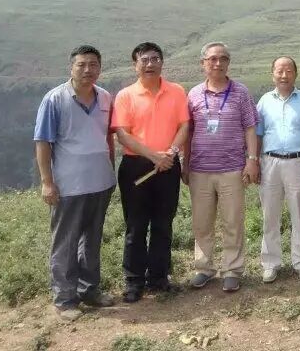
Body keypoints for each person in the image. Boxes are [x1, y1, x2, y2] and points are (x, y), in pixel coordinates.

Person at [33, 45, 117, 320]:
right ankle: (65, 299)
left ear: (100, 68)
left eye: (93, 64)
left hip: (100, 182)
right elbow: (43, 142)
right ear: (71, 67)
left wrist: (111, 171)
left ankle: (89, 290)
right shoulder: (54, 99)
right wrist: (47, 182)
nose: (87, 70)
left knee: (92, 241)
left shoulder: (105, 97)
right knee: (65, 243)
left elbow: (107, 138)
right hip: (69, 186)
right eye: (81, 64)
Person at [112, 42, 190, 303]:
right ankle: (133, 281)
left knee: (163, 224)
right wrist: (153, 155)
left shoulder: (176, 91)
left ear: (162, 63)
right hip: (136, 166)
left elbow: (184, 125)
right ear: (135, 65)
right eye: (144, 60)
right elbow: (122, 134)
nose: (150, 64)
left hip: (168, 164)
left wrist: (171, 152)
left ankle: (158, 277)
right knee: (135, 225)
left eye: (155, 59)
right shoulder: (125, 95)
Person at [184, 42, 259, 292]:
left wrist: (252, 159)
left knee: (232, 221)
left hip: (232, 168)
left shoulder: (241, 92)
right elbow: (188, 132)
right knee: (201, 222)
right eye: (213, 59)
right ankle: (203, 268)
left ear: (228, 63)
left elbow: (250, 128)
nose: (218, 63)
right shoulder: (194, 94)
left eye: (223, 58)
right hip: (200, 169)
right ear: (203, 63)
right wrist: (185, 163)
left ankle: (232, 269)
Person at [256, 56, 300, 284]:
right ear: (272, 74)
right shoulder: (264, 101)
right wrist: (254, 161)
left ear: (296, 73)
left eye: (289, 71)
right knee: (270, 215)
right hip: (270, 163)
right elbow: (258, 134)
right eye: (279, 71)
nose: (284, 75)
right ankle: (270, 263)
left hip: (299, 162)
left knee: (299, 215)